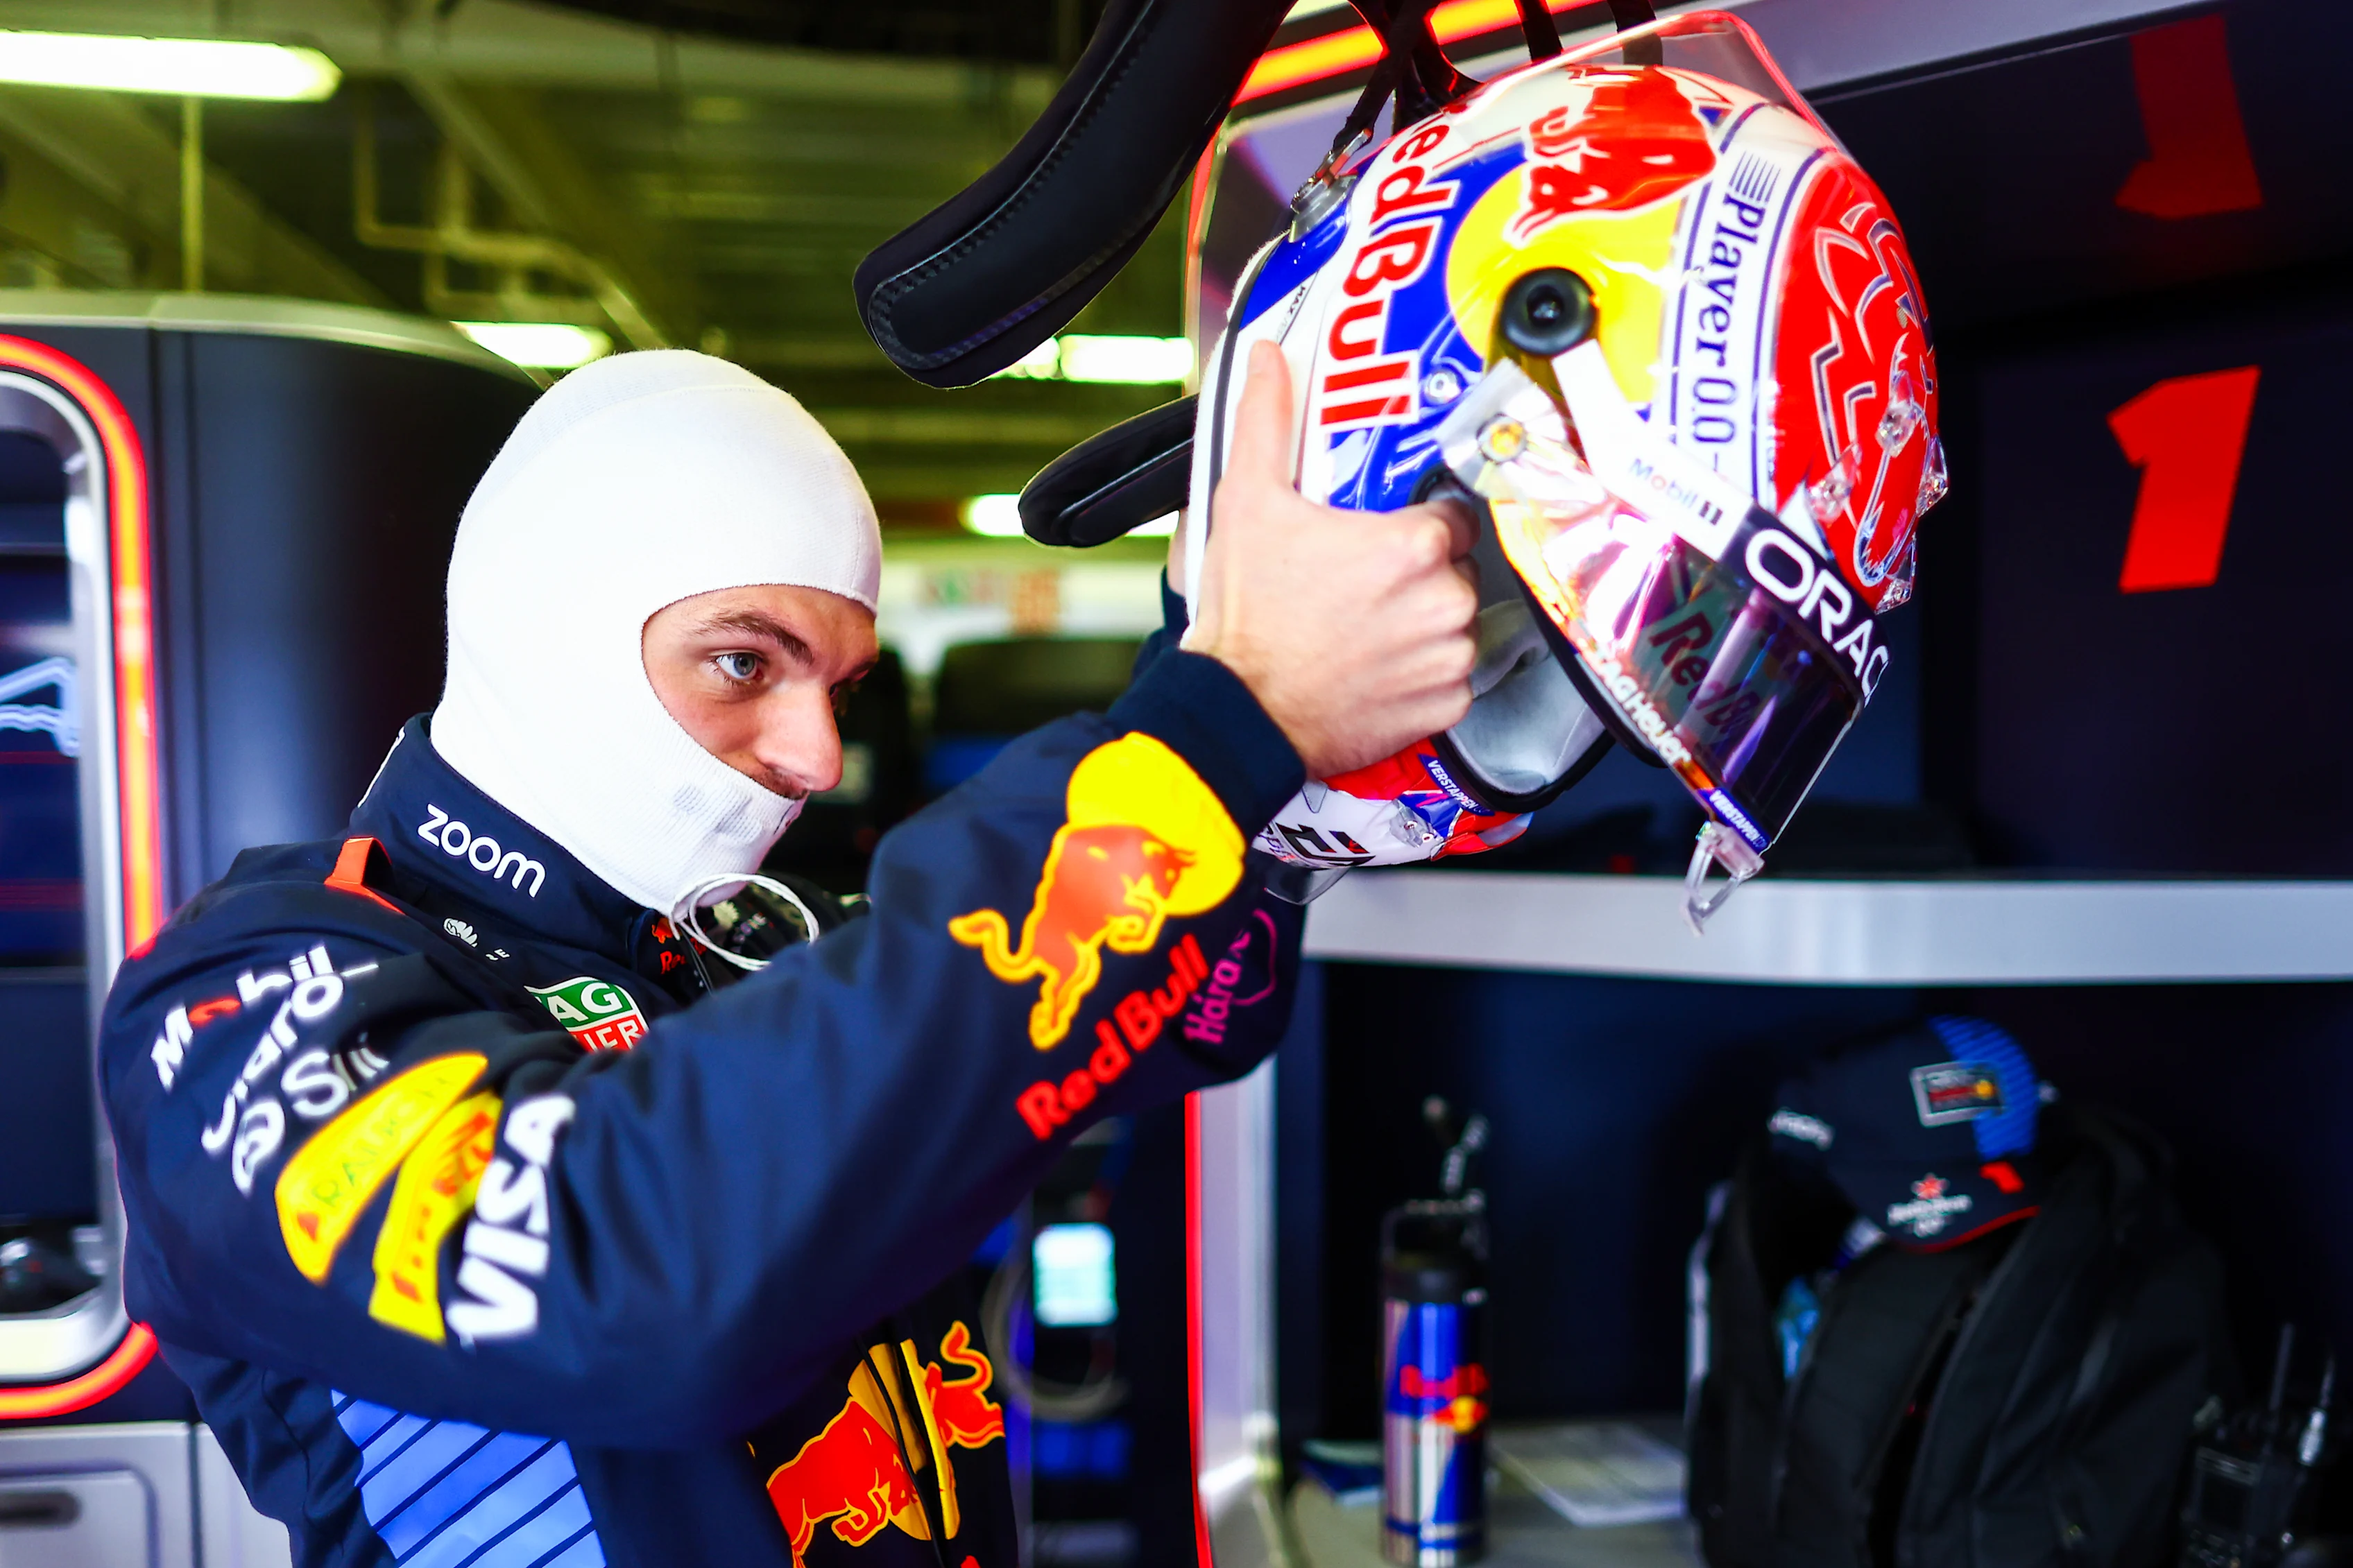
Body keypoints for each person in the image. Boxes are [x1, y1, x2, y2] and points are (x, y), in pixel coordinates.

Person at [99, 343, 1476, 1567]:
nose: (816, 756)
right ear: (549, 629)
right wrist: (1218, 719)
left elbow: (1179, 1011)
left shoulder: (748, 943)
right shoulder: (241, 996)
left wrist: (1296, 797)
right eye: (747, 663)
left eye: (839, 686)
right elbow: (639, 1271)